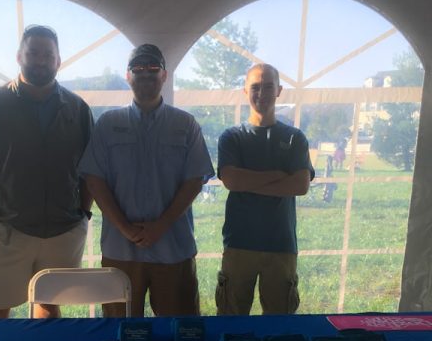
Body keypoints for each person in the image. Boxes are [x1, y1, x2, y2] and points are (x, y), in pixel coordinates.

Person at [0, 25, 93, 318]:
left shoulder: (78, 109)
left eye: (48, 55)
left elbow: (91, 168)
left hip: (64, 230)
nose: (40, 60)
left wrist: (83, 214)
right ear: (19, 56)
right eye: (33, 53)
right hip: (6, 228)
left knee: (50, 305)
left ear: (59, 61)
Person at [79, 44, 214, 317]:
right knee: (120, 331)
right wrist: (125, 228)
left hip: (174, 248)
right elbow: (95, 179)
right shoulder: (107, 124)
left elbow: (194, 181)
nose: (145, 74)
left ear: (165, 75)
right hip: (120, 251)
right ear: (128, 76)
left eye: (153, 68)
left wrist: (161, 225)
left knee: (180, 331)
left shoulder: (186, 124)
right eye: (138, 68)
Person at [216, 63, 314, 316]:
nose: (262, 93)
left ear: (279, 90)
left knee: (280, 323)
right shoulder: (232, 137)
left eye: (268, 86)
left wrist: (248, 181)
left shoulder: (294, 138)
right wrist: (277, 176)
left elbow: (300, 185)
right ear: (245, 91)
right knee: (231, 319)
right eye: (255, 87)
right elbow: (231, 180)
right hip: (239, 243)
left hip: (281, 244)